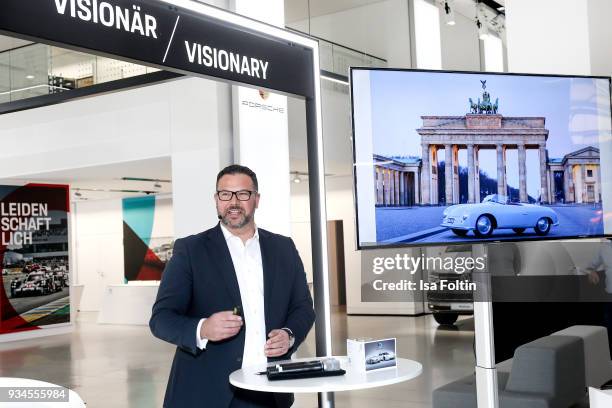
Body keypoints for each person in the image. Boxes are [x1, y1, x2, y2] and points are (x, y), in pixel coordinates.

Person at [149, 164, 315, 408]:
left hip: (268, 390)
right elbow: (161, 319)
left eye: (243, 194)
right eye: (225, 194)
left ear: (256, 199)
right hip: (207, 393)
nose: (233, 202)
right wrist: (202, 328)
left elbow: (303, 307)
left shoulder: (283, 248)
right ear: (216, 200)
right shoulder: (191, 250)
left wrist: (289, 336)